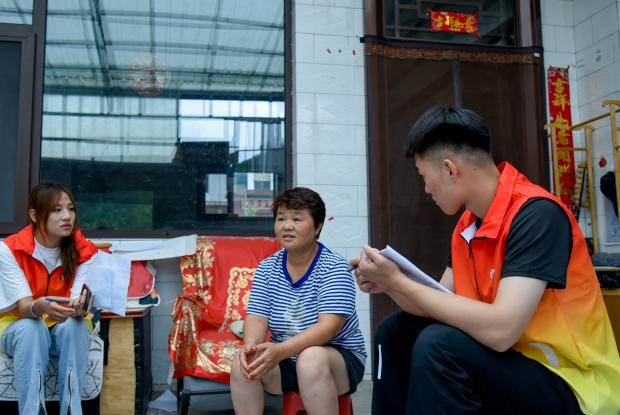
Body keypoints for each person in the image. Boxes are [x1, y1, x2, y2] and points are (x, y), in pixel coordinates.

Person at [351, 106, 620, 414]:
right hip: (510, 363)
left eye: (425, 177)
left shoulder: (537, 214)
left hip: (570, 381)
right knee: (394, 332)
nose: (426, 190)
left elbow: (502, 331)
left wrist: (398, 281)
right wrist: (390, 284)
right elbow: (437, 303)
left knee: (439, 345)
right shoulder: (467, 226)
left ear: (450, 170)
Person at [230, 187, 366, 415]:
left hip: (336, 359)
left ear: (318, 226)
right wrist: (251, 346)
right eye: (281, 218)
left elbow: (328, 328)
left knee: (310, 358)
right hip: (286, 359)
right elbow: (257, 317)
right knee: (242, 362)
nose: (286, 226)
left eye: (296, 219)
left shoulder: (334, 268)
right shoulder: (267, 268)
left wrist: (280, 350)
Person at [0, 183, 99, 415]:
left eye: (71, 209)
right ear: (34, 215)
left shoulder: (85, 250)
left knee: (76, 325)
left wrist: (80, 308)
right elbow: (25, 307)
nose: (67, 216)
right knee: (32, 327)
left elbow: (78, 299)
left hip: (63, 328)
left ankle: (72, 410)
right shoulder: (10, 250)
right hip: (19, 328)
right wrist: (40, 307)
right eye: (56, 210)